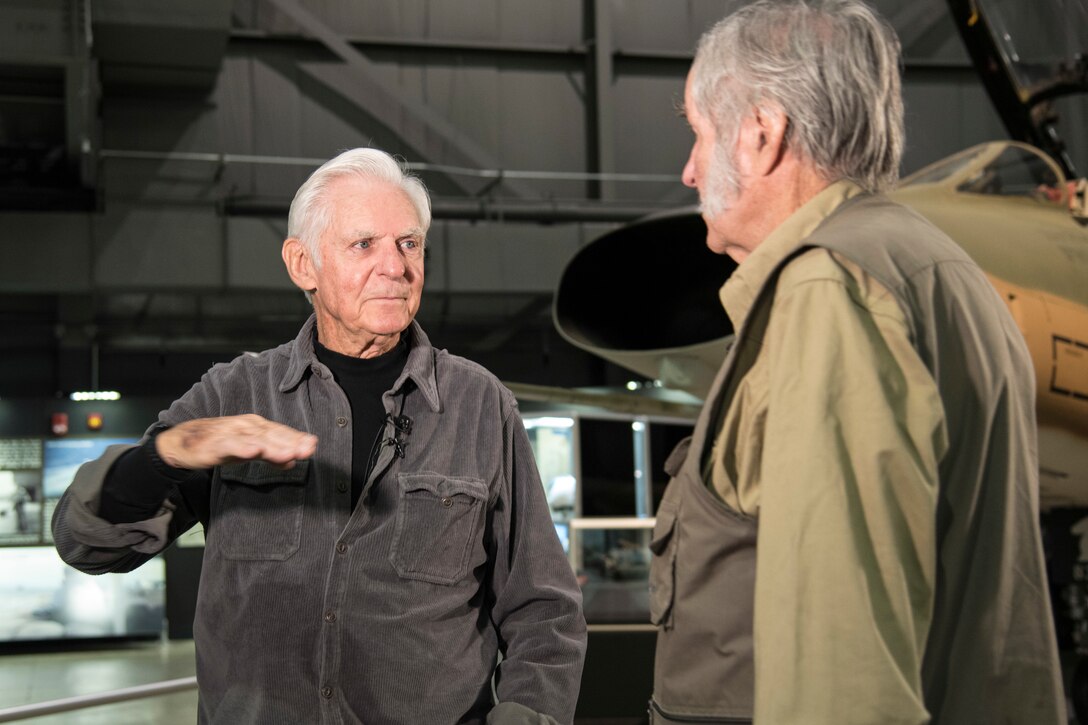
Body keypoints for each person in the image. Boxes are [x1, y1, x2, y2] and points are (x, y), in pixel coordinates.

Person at [52, 148, 586, 724]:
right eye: (364, 245)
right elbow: (86, 545)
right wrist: (163, 456)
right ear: (302, 264)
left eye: (408, 244)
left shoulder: (480, 405)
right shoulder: (234, 394)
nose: (395, 267)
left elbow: (545, 611)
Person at [647, 1, 1066, 723]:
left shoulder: (831, 289)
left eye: (699, 132)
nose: (688, 172)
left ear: (760, 135)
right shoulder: (936, 266)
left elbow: (842, 663)